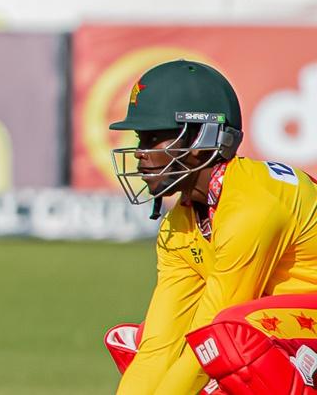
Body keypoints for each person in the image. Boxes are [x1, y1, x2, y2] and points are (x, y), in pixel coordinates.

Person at [105, 60, 317, 394]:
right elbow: (159, 348)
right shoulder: (178, 226)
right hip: (298, 332)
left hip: (300, 327)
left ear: (202, 137)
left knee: (228, 337)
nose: (140, 154)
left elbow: (210, 334)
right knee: (139, 342)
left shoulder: (252, 204)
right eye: (140, 139)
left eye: (155, 138)